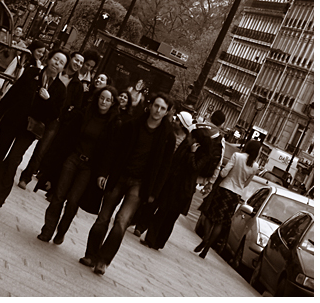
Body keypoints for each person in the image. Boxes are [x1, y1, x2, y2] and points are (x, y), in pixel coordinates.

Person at [79, 93, 176, 277]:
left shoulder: (167, 137)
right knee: (103, 217)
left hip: (139, 184)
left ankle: (103, 260)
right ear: (150, 106)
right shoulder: (132, 125)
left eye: (163, 108)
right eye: (156, 106)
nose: (158, 111)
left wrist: (154, 192)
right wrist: (103, 173)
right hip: (119, 176)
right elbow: (113, 150)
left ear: (167, 112)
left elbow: (165, 168)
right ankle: (91, 255)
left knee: (122, 221)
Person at [0, 49, 68, 211]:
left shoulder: (59, 89)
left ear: (62, 68)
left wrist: (48, 100)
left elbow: (55, 115)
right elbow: (13, 93)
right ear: (49, 59)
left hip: (30, 130)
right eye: (55, 59)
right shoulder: (32, 73)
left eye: (61, 63)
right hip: (13, 120)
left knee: (12, 160)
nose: (56, 64)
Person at [37, 85, 119, 244]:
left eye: (108, 100)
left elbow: (110, 152)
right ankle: (47, 230)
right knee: (59, 195)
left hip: (89, 167)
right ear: (97, 98)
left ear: (112, 103)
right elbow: (67, 137)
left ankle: (61, 231)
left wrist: (103, 173)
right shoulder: (85, 114)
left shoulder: (113, 124)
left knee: (73, 201)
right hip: (73, 158)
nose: (104, 102)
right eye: (102, 98)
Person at [139, 111, 214, 250]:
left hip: (183, 190)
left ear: (198, 141)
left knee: (170, 218)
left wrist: (192, 153)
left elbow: (194, 168)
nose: (189, 137)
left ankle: (159, 242)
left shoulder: (203, 154)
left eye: (192, 137)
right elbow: (173, 161)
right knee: (161, 212)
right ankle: (150, 239)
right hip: (172, 185)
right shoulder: (186, 144)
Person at [18, 50, 85, 189]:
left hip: (56, 120)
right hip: (41, 112)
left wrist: (64, 116)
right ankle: (14, 162)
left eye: (81, 62)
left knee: (42, 150)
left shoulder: (78, 84)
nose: (78, 64)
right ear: (70, 59)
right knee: (25, 140)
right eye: (76, 60)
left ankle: (26, 176)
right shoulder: (56, 71)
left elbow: (76, 107)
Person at [194, 139, 261, 259]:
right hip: (235, 196)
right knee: (220, 222)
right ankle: (208, 247)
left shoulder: (237, 156)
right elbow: (246, 183)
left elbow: (224, 173)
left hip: (224, 189)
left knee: (210, 216)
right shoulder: (255, 166)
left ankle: (206, 239)